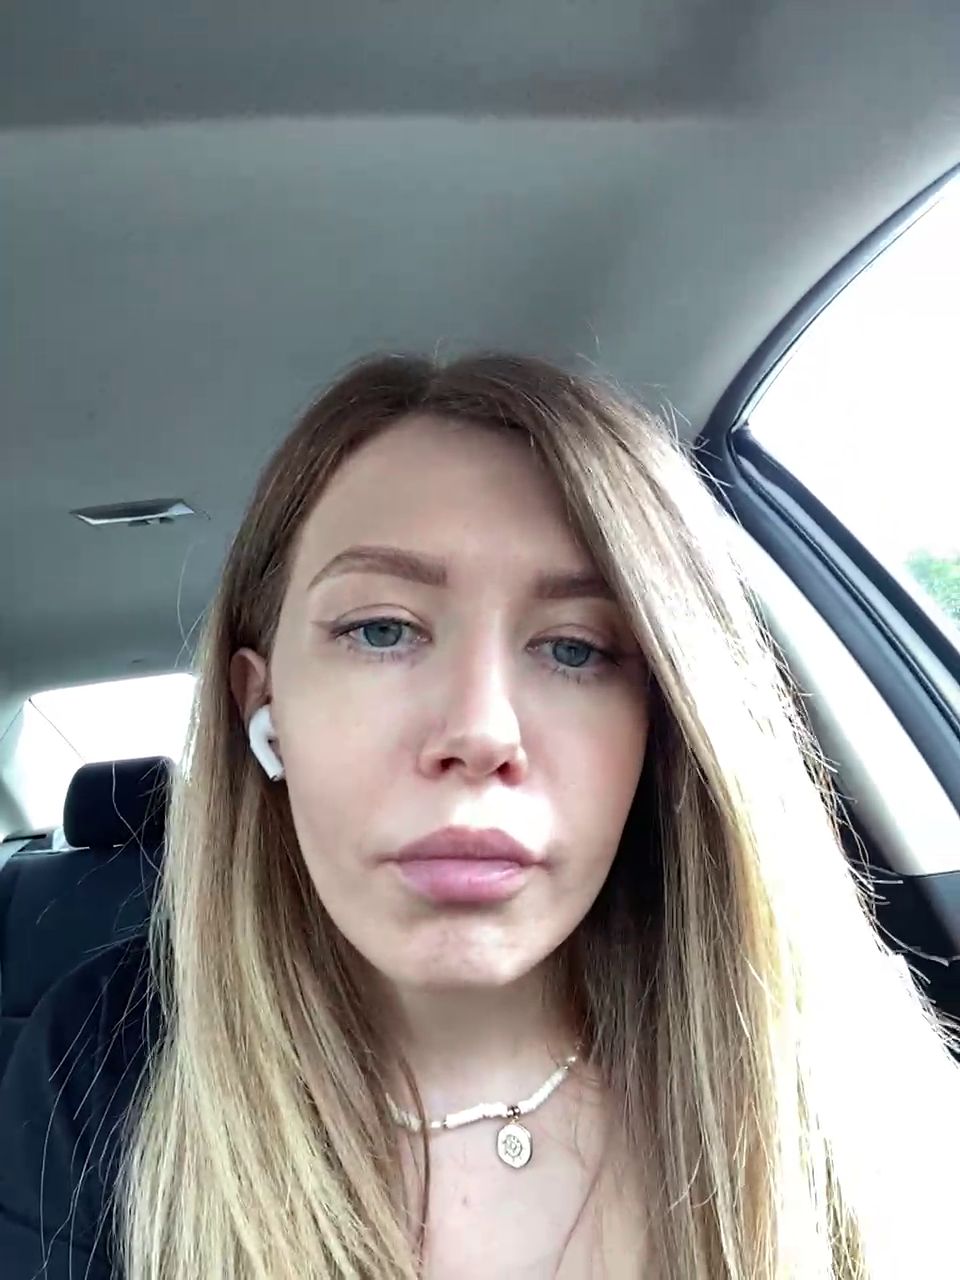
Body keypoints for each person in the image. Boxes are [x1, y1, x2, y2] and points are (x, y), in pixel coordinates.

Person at [1, 353, 957, 1280]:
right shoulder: (101, 1063)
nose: (480, 732)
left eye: (576, 649)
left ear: (666, 719)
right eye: (382, 629)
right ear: (265, 711)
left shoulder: (845, 1073)